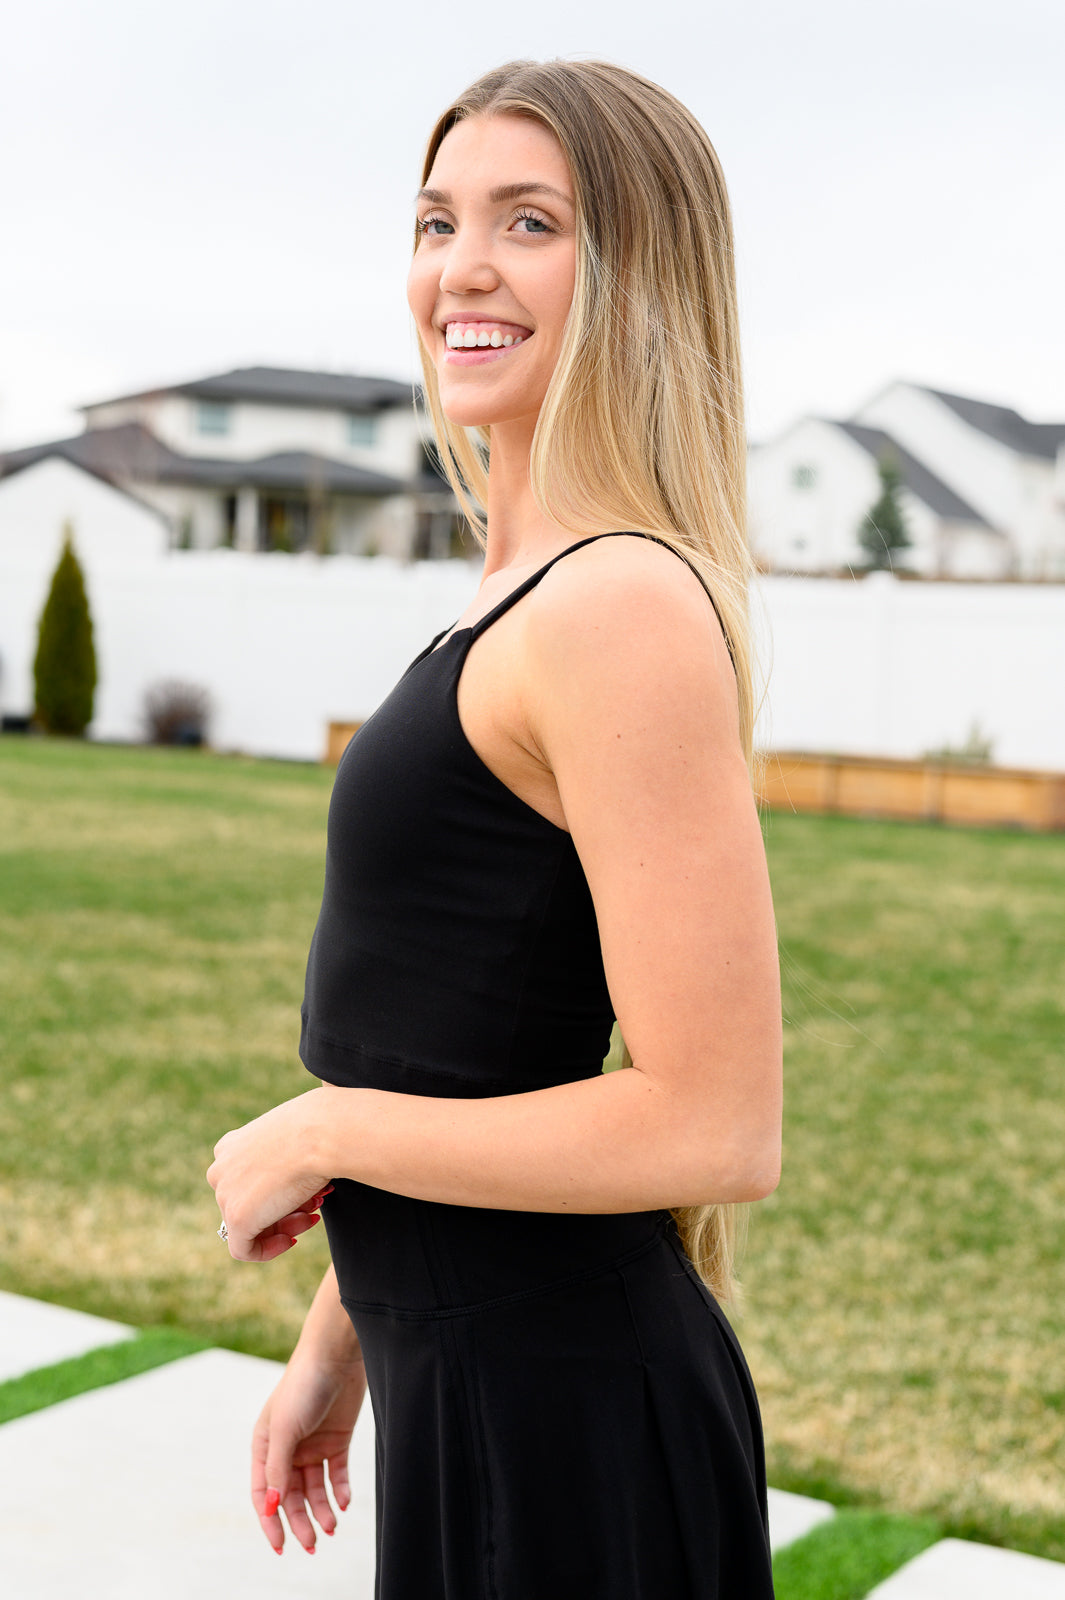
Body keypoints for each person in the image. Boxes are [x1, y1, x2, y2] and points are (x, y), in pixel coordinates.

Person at [208, 57, 782, 1599]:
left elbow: (714, 1121)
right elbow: (468, 1052)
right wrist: (342, 1336)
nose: (460, 265)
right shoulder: (520, 591)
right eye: (436, 217)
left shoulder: (613, 603)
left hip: (566, 1425)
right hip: (474, 1390)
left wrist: (320, 1132)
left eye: (528, 222)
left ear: (634, 272)